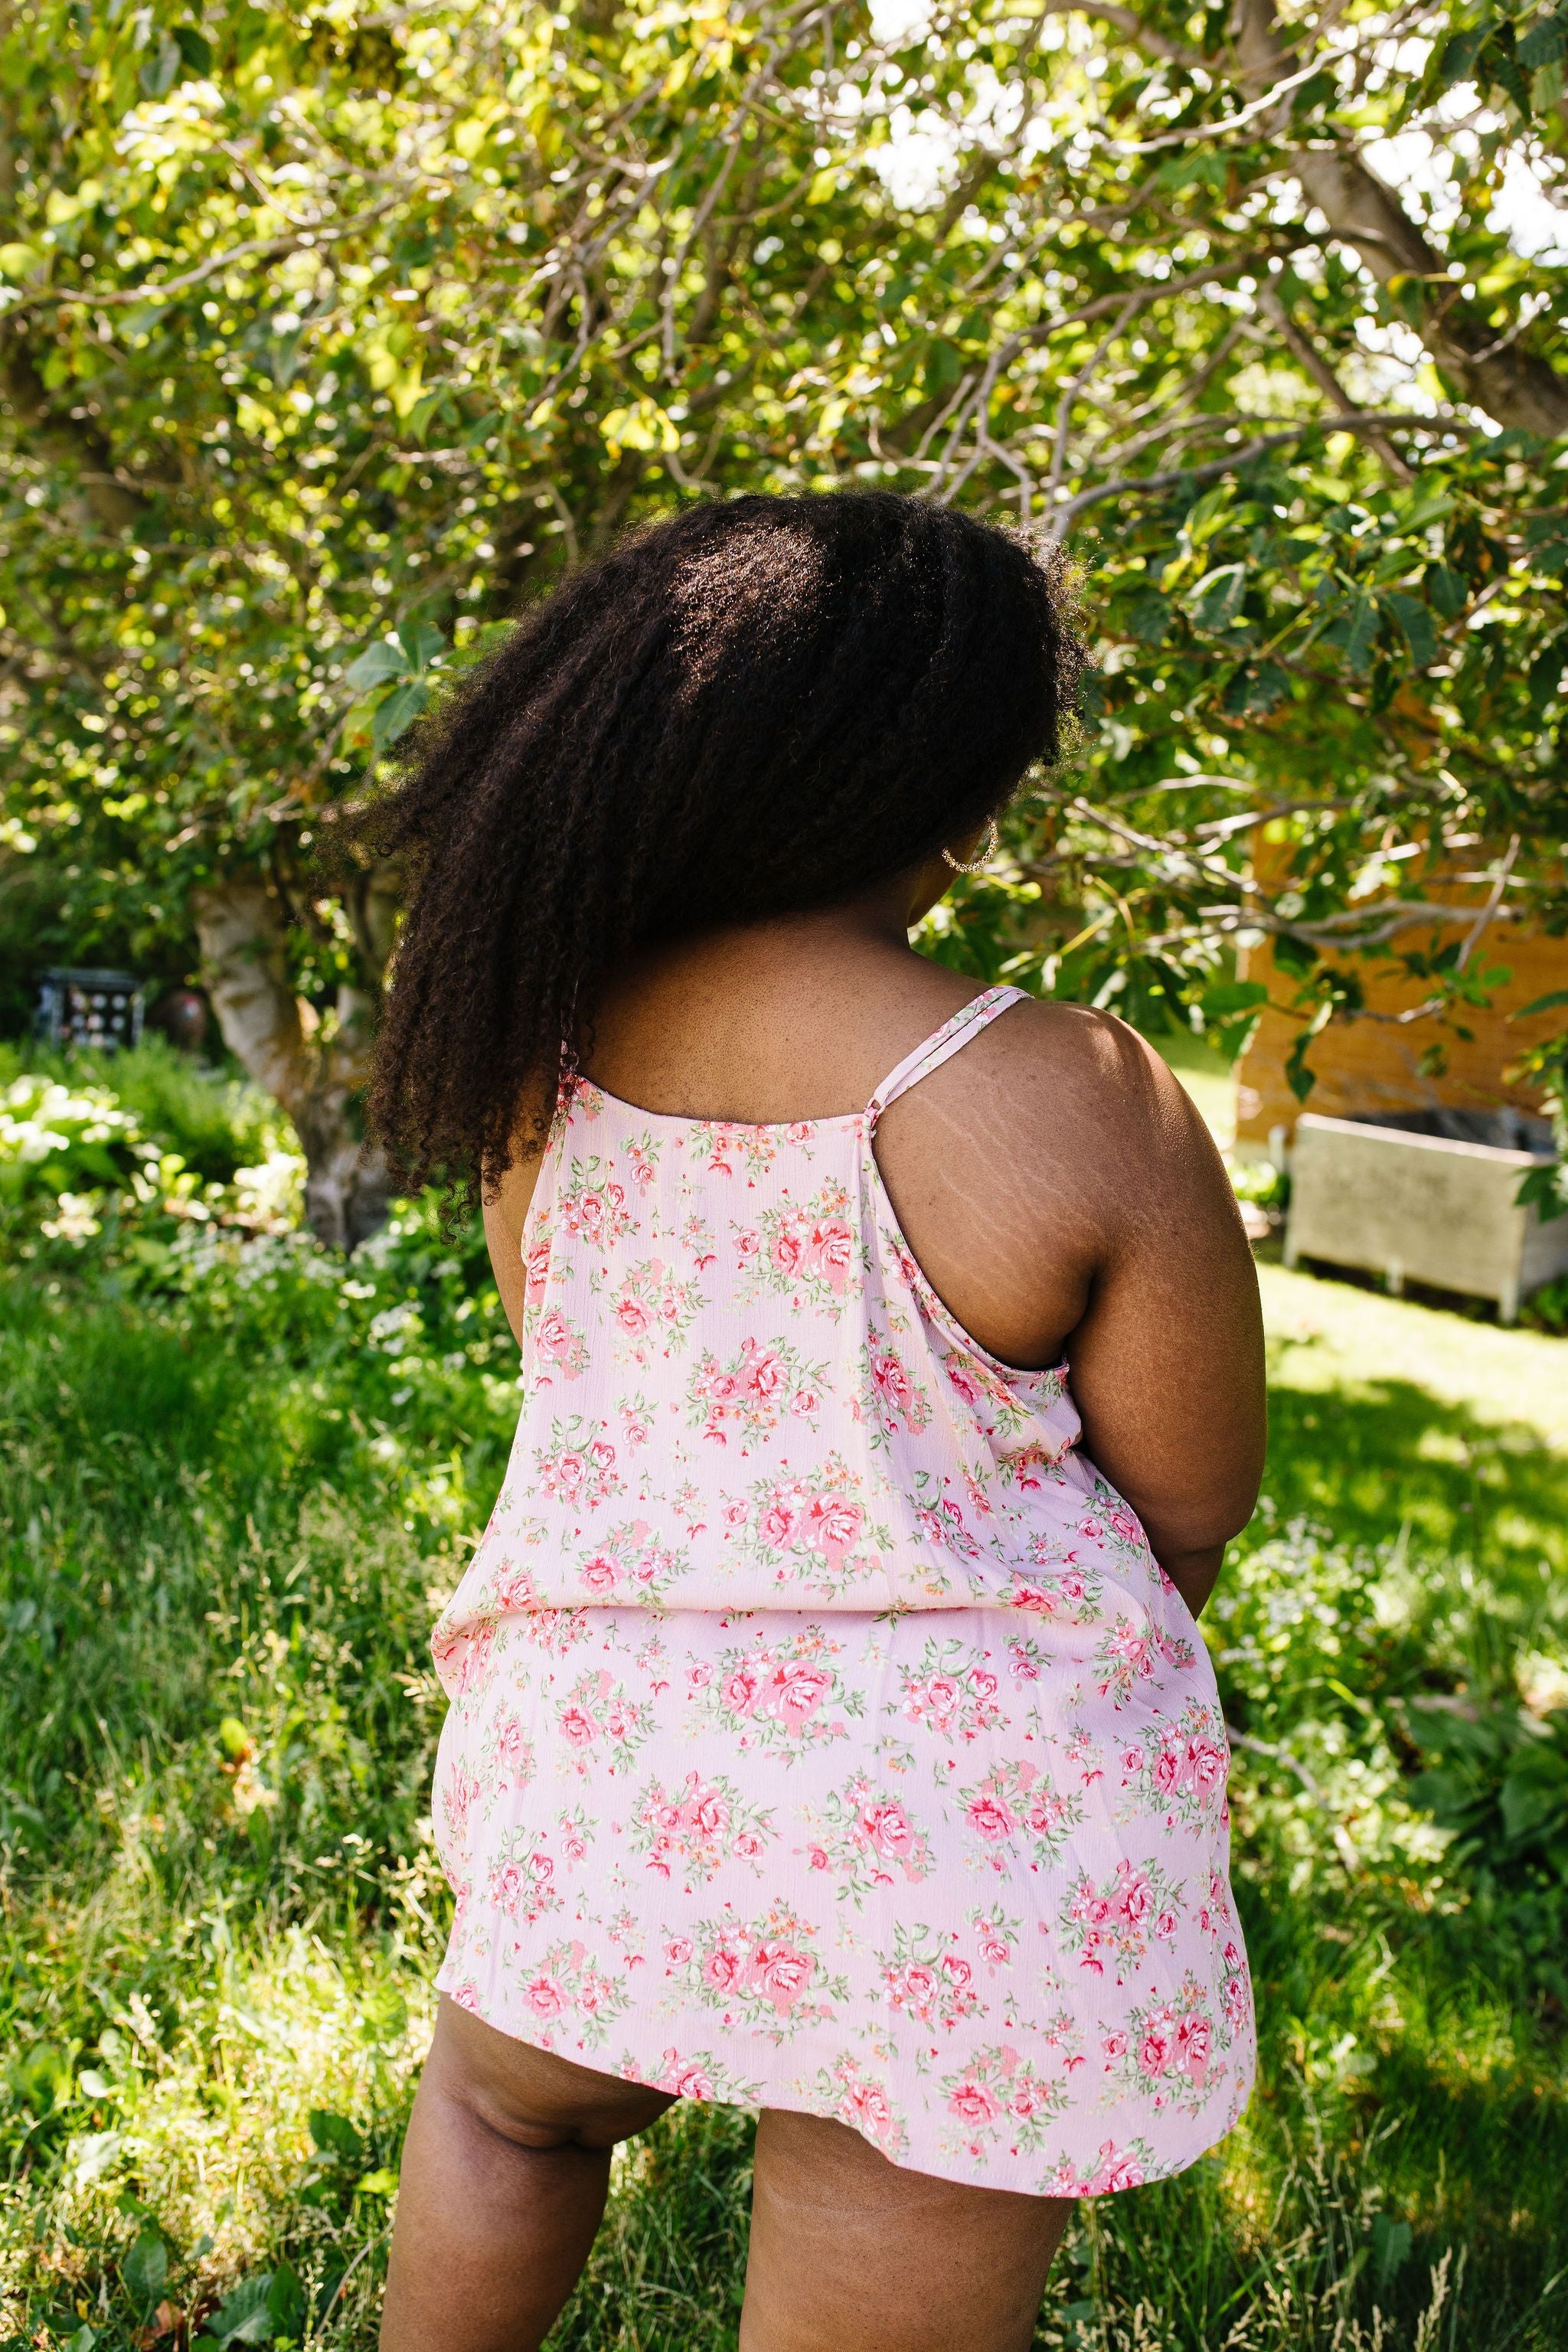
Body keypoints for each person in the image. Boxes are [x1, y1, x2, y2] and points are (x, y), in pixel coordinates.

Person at [364, 491, 1265, 2352]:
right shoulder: (1067, 1090)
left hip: (601, 1771)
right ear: (945, 793)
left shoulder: (541, 1058)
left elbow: (611, 1403)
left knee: (503, 2108)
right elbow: (1191, 1496)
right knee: (880, 2174)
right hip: (956, 1831)